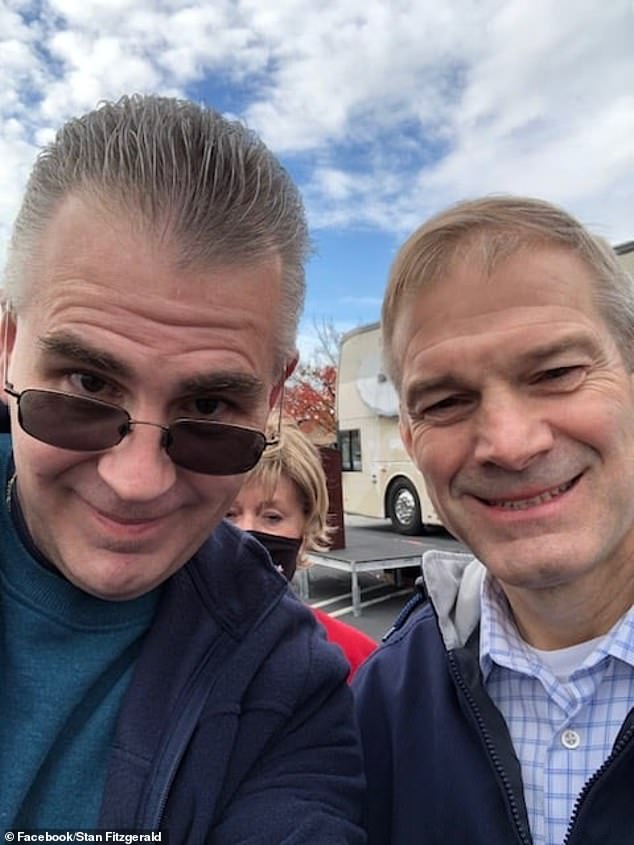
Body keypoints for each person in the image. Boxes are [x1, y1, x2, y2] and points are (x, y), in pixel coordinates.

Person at [0, 94, 365, 842]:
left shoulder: (288, 685)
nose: (136, 482)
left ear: (271, 396)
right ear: (8, 346)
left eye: (207, 404)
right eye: (87, 385)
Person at [353, 195, 634, 845]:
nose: (509, 443)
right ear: (412, 437)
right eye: (447, 401)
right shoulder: (383, 704)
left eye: (557, 372)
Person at [226, 416, 376, 681]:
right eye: (228, 514)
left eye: (272, 517)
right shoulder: (159, 652)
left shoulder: (358, 660)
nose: (246, 533)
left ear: (306, 528)